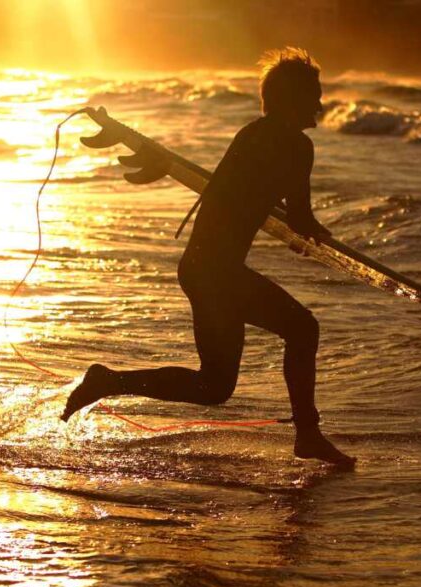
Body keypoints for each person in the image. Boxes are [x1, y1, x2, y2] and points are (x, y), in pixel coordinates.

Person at [61, 47, 355, 469]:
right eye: (314, 94)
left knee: (214, 386)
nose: (320, 104)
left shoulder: (251, 134)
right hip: (218, 273)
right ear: (294, 99)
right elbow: (301, 218)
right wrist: (314, 236)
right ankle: (307, 434)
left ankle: (108, 380)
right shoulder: (296, 146)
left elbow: (246, 199)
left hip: (202, 268)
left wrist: (295, 228)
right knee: (303, 330)